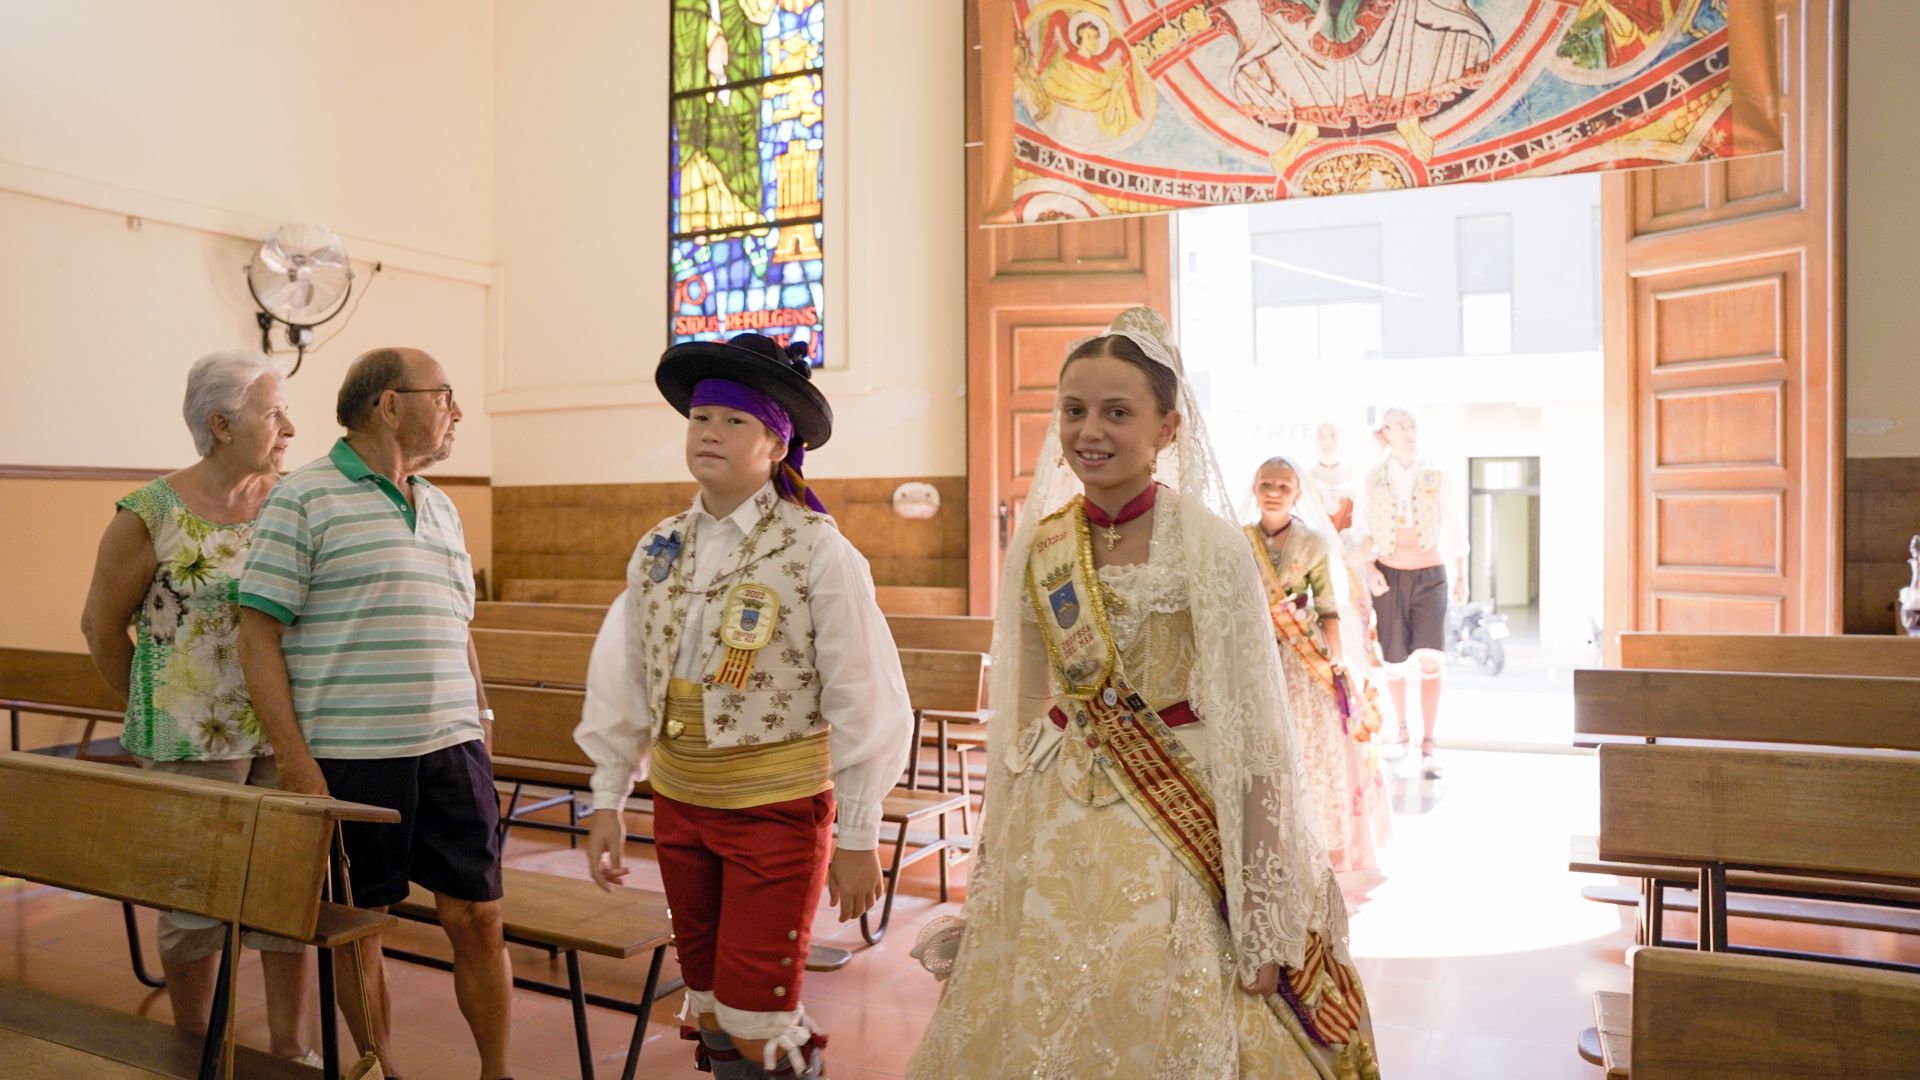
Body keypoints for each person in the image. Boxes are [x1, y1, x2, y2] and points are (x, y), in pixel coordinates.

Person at [907, 309, 1378, 1079]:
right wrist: (991, 870)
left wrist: (1261, 920)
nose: (1089, 431)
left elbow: (1256, 731)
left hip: (1175, 814)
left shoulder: (1212, 543)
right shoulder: (1042, 542)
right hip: (1052, 814)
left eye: (1116, 412)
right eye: (1074, 410)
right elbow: (1022, 719)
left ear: (1167, 428)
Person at [574, 332, 913, 1079]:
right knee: (714, 1014)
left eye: (733, 421)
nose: (709, 434)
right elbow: (625, 676)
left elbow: (866, 690)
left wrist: (859, 831)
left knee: (758, 1018)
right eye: (700, 419)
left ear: (775, 442)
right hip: (680, 802)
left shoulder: (818, 548)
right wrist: (606, 797)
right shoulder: (658, 546)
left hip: (776, 807)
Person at [236, 347, 510, 1080]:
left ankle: (495, 1072)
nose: (455, 410)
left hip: (452, 747)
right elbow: (256, 635)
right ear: (391, 405)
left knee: (480, 917)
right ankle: (381, 1070)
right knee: (364, 929)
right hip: (353, 755)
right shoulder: (303, 498)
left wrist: (479, 720)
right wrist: (296, 761)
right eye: (443, 394)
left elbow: (458, 628)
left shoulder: (442, 504)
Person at [79, 350, 313, 1063]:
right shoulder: (150, 512)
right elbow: (99, 628)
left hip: (287, 731)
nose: (290, 427)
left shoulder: (293, 499)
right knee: (193, 905)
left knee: (285, 897)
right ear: (219, 424)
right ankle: (194, 1050)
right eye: (274, 413)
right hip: (187, 738)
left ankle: (287, 1049)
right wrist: (158, 706)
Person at [1246, 456, 1391, 874]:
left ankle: (1324, 844)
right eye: (1266, 484)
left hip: (1304, 660)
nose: (1274, 493)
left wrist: (1337, 666)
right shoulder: (1238, 540)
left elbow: (1328, 609)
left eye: (1283, 487)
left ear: (1297, 494)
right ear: (1254, 489)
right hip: (1256, 657)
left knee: (1315, 747)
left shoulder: (1313, 543)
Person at [1354, 406, 1466, 778]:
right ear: (1385, 432)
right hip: (1389, 574)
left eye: (1412, 424)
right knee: (1395, 660)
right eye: (1400, 425)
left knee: (1432, 659)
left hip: (1430, 574)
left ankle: (1429, 742)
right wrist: (1370, 570)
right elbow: (1359, 532)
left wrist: (1461, 575)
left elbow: (1454, 526)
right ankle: (1401, 735)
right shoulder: (1372, 478)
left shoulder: (1437, 474)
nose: (1408, 430)